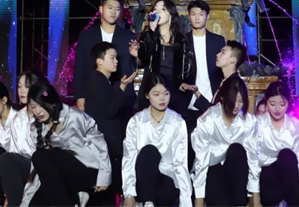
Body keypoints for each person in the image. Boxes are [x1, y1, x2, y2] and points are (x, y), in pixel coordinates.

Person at [22, 81, 112, 207]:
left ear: (52, 101)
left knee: (40, 155)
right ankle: (75, 198)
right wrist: (26, 199)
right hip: (63, 177)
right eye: (33, 107)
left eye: (42, 105)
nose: (38, 111)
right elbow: (38, 169)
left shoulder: (74, 116)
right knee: (36, 202)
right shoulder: (36, 128)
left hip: (88, 170)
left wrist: (104, 177)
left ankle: (74, 198)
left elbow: (100, 144)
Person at [122, 73, 192, 207]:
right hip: (141, 179)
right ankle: (148, 202)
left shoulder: (177, 122)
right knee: (149, 151)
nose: (162, 98)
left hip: (166, 182)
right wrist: (128, 193)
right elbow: (129, 159)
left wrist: (186, 202)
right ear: (147, 95)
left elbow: (181, 164)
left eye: (166, 93)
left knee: (165, 190)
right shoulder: (136, 121)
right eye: (156, 94)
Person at [191, 75, 259, 207]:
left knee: (237, 149)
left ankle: (241, 203)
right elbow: (201, 162)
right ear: (222, 97)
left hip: (237, 175)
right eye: (232, 100)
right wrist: (199, 200)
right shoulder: (207, 120)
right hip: (212, 171)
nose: (236, 106)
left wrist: (255, 199)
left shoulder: (249, 121)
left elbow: (253, 159)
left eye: (241, 101)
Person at [85, 42, 137, 206]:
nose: (116, 61)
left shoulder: (103, 81)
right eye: (112, 58)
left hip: (107, 146)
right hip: (104, 146)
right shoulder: (97, 81)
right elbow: (110, 110)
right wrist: (122, 88)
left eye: (116, 58)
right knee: (104, 195)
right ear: (99, 61)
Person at [251, 81, 299, 207]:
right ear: (266, 102)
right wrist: (255, 196)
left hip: (290, 181)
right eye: (272, 104)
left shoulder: (295, 125)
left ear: (288, 102)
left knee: (287, 155)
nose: (277, 109)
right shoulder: (257, 124)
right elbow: (253, 161)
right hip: (266, 181)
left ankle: (293, 202)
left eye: (282, 104)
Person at [73, 0, 136, 112]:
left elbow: (135, 65)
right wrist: (80, 95)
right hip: (93, 94)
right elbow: (79, 67)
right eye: (110, 8)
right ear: (101, 9)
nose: (113, 12)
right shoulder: (86, 36)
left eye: (117, 9)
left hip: (121, 97)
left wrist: (137, 56)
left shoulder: (129, 37)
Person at [130, 0, 192, 113]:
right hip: (152, 87)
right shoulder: (146, 36)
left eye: (162, 9)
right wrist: (152, 31)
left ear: (171, 15)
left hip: (174, 90)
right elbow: (143, 60)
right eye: (155, 9)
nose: (157, 12)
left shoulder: (181, 40)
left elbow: (186, 68)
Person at [0, 71, 47, 207]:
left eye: (27, 86)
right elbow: (14, 153)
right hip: (27, 168)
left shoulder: (47, 114)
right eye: (19, 86)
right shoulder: (17, 118)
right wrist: (8, 194)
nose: (22, 90)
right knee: (5, 158)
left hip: (45, 170)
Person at [180, 0, 225, 122]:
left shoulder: (218, 41)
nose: (197, 18)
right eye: (193, 14)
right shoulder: (182, 41)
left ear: (207, 16)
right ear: (189, 16)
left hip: (213, 101)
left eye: (201, 14)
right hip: (187, 103)